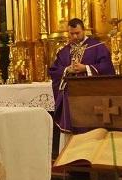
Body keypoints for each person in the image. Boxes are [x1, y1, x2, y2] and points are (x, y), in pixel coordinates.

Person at [48, 18, 115, 151]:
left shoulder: (97, 47)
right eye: (71, 34)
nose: (74, 36)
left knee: (89, 128)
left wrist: (86, 68)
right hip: (69, 97)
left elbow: (107, 67)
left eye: (77, 33)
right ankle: (70, 155)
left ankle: (91, 152)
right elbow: (54, 71)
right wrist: (68, 69)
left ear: (84, 30)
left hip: (90, 96)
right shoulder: (64, 51)